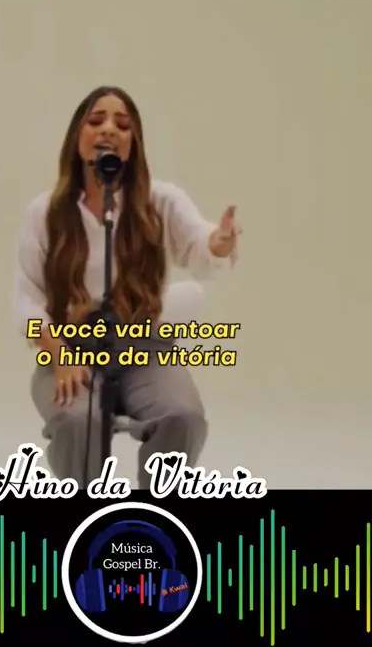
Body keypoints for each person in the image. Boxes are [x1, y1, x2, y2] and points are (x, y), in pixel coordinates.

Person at [14, 86, 241, 488]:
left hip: (144, 348)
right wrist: (60, 355)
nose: (109, 130)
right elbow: (28, 303)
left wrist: (218, 243)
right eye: (96, 120)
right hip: (70, 348)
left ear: (134, 145)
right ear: (76, 137)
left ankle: (152, 513)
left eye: (122, 125)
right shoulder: (45, 213)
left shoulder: (161, 201)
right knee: (77, 421)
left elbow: (199, 244)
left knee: (183, 417)